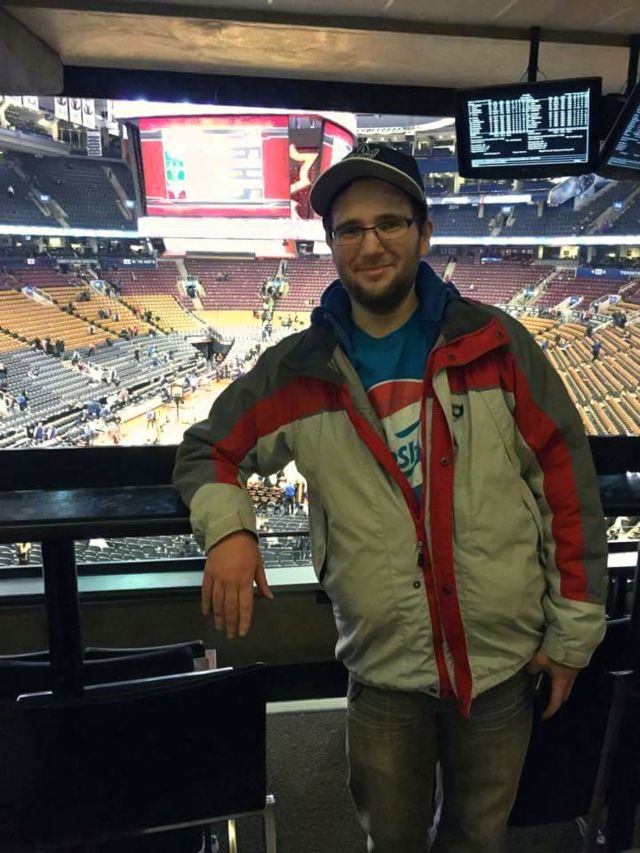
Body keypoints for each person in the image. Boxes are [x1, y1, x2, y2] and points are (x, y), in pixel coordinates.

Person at [173, 145, 607, 853]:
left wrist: (572, 637)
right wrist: (229, 530)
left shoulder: (498, 345)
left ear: (424, 233)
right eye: (350, 229)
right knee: (393, 839)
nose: (370, 244)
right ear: (331, 244)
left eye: (390, 223)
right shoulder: (296, 370)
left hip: (502, 663)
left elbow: (566, 483)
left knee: (479, 837)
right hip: (383, 671)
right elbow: (206, 450)